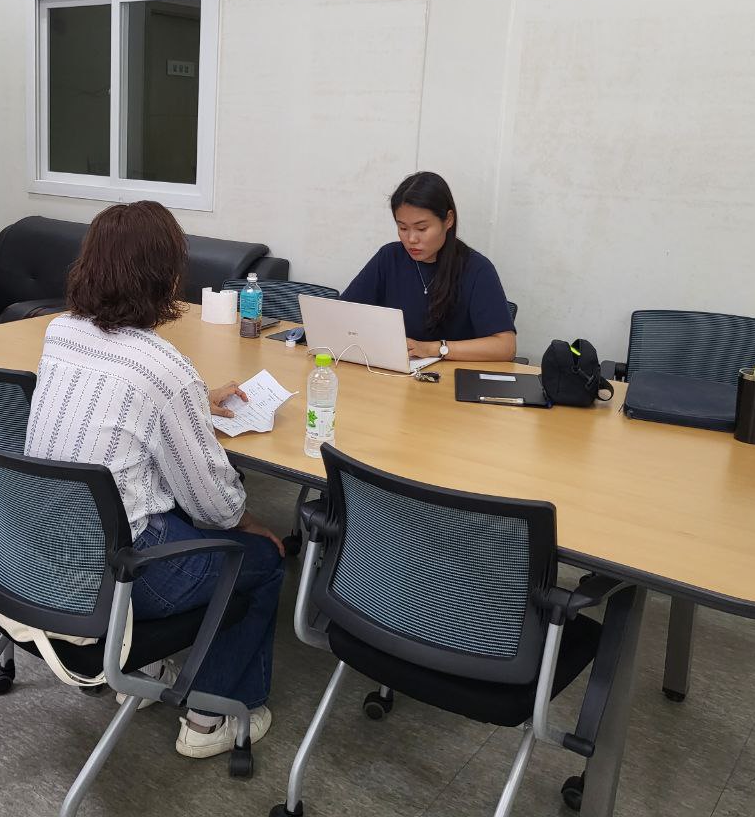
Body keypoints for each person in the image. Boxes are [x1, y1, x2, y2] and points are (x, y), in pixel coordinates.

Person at [25, 200, 285, 760]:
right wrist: (252, 522)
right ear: (168, 278)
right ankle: (211, 716)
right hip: (114, 573)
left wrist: (189, 403)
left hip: (34, 551)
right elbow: (216, 506)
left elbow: (113, 411)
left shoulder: (60, 332)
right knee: (262, 560)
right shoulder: (165, 370)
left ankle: (142, 670)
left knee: (164, 504)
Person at [342, 171, 516, 362]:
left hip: (450, 376)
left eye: (422, 228)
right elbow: (342, 314)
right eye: (403, 228)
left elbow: (505, 347)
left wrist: (433, 348)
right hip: (394, 372)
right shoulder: (389, 258)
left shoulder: (476, 269)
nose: (411, 239)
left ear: (448, 220)